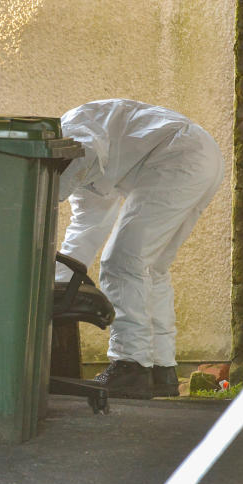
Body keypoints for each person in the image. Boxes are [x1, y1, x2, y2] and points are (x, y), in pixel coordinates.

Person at [56, 98, 224, 399]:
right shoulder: (92, 172)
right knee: (151, 267)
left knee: (122, 263)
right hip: (199, 156)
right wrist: (57, 283)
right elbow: (86, 228)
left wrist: (52, 190)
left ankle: (129, 366)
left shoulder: (71, 135)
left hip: (179, 155)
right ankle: (162, 369)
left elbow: (83, 155)